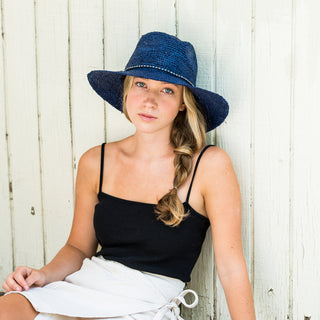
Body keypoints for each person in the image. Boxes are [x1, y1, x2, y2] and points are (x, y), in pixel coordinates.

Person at [0, 31, 255, 319]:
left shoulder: (210, 166)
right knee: (8, 307)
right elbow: (77, 247)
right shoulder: (96, 161)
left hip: (146, 304)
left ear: (183, 102)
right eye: (141, 84)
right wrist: (42, 276)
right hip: (86, 288)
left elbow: (231, 268)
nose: (149, 100)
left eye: (167, 90)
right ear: (126, 90)